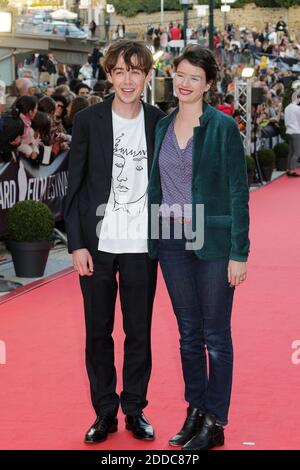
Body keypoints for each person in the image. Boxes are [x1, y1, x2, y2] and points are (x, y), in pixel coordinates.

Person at [148, 45, 250, 450]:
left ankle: (216, 420)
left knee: (216, 335)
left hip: (213, 241)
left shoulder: (223, 128)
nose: (185, 83)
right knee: (188, 333)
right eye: (180, 75)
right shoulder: (162, 125)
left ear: (208, 85)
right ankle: (195, 409)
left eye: (194, 77)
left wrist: (239, 252)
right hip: (170, 240)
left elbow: (238, 193)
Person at [64, 39, 164, 444]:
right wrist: (76, 244)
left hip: (143, 245)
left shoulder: (160, 121)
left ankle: (135, 409)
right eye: (120, 71)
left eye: (135, 71)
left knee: (139, 332)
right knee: (97, 331)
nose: (127, 79)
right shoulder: (88, 121)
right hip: (98, 244)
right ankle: (104, 411)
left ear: (146, 76)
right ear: (109, 75)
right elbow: (74, 187)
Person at [284, 89, 300, 177]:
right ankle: (292, 170)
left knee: (291, 152)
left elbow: (286, 120)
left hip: (289, 131)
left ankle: (288, 169)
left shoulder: (287, 108)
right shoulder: (297, 108)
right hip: (296, 131)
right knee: (296, 152)